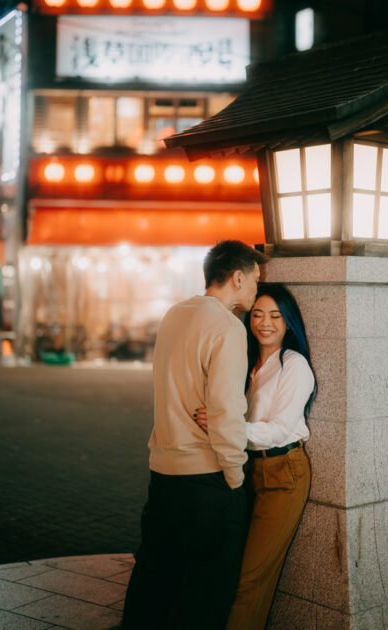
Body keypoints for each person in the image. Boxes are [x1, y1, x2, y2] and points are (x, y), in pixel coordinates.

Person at [119, 240, 267, 630]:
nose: (256, 289)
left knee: (154, 575)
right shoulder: (227, 328)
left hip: (163, 471)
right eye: (254, 280)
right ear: (237, 277)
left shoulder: (175, 314)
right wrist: (235, 477)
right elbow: (224, 409)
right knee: (207, 590)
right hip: (206, 477)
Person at [194, 283, 316, 630]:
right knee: (228, 569)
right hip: (246, 470)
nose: (265, 322)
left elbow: (277, 430)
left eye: (276, 316)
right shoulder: (247, 362)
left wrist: (225, 425)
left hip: (284, 473)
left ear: (288, 322)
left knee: (250, 578)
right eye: (258, 314)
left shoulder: (294, 366)